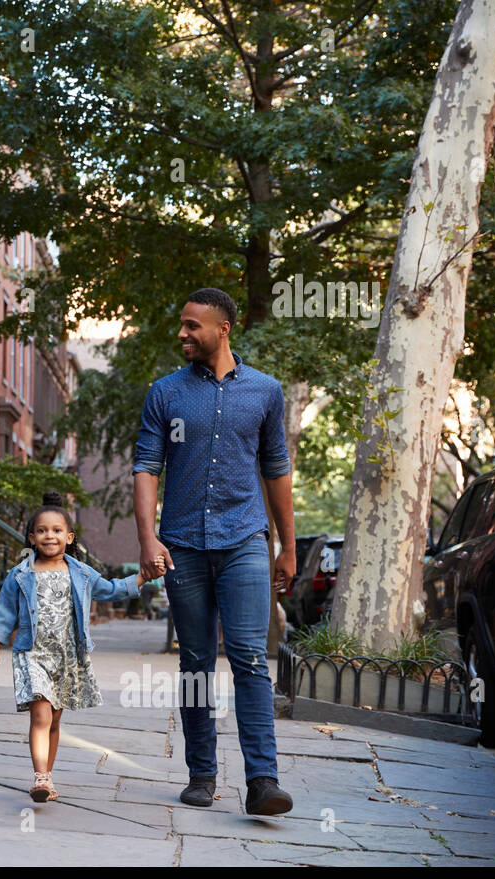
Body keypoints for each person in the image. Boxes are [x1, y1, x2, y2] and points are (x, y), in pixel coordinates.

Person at [133, 287, 297, 816]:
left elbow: (277, 470)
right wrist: (147, 537)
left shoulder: (266, 392)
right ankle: (201, 774)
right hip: (182, 545)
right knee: (198, 660)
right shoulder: (165, 393)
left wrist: (287, 547)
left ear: (222, 329)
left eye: (191, 325)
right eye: (181, 324)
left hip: (246, 540)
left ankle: (262, 781)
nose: (182, 333)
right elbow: (146, 468)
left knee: (250, 658)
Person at [0, 492, 161, 802]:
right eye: (41, 531)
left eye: (55, 530)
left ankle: (47, 780)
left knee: (54, 719)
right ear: (31, 537)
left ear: (69, 537)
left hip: (68, 656)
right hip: (32, 653)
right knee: (40, 716)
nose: (48, 536)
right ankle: (40, 775)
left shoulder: (80, 572)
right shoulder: (21, 574)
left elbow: (112, 589)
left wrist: (143, 577)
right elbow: (4, 611)